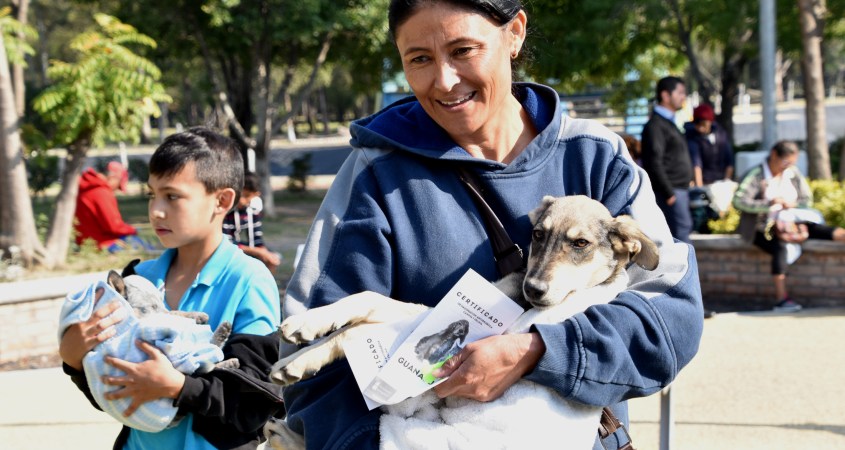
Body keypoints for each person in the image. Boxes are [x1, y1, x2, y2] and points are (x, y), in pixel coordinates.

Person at [281, 2, 703, 449]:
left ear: (515, 33)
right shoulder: (374, 176)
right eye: (419, 58)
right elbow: (311, 366)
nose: (444, 80)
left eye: (463, 50)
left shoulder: (594, 157)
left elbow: (671, 317)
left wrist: (537, 351)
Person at [59, 127, 283, 449]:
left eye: (172, 196)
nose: (156, 211)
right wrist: (74, 361)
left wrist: (178, 387)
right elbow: (114, 391)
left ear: (222, 201)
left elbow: (255, 404)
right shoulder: (137, 278)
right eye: (152, 195)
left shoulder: (249, 280)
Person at [732, 140, 845, 312]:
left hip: (794, 222)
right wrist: (769, 204)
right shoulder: (756, 174)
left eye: (792, 163)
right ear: (774, 155)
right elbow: (739, 201)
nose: (788, 166)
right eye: (785, 162)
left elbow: (807, 200)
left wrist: (791, 204)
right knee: (781, 247)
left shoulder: (793, 173)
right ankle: (781, 299)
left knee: (829, 232)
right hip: (762, 227)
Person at [640, 76, 694, 243]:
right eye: (680, 92)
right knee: (680, 239)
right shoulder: (656, 125)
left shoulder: (669, 123)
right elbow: (653, 161)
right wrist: (669, 193)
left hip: (678, 190)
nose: (683, 97)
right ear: (665, 95)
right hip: (671, 192)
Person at [75, 161, 154, 253]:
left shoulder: (85, 189)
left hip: (85, 241)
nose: (116, 190)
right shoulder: (102, 192)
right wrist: (133, 230)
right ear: (113, 177)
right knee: (146, 247)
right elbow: (113, 226)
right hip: (101, 244)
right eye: (118, 185)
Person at [223, 171, 282, 272]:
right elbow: (225, 243)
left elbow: (257, 240)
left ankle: (266, 281)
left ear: (256, 194)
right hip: (225, 251)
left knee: (271, 259)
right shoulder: (225, 211)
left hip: (240, 247)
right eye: (242, 195)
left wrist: (265, 253)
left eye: (247, 196)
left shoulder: (252, 211)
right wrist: (258, 252)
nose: (242, 201)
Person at [684, 103, 734, 187]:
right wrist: (700, 188)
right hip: (704, 182)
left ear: (710, 122)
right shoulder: (691, 137)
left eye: (703, 124)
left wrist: (726, 182)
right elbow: (696, 165)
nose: (700, 128)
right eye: (697, 124)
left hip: (721, 181)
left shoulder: (721, 133)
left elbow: (729, 161)